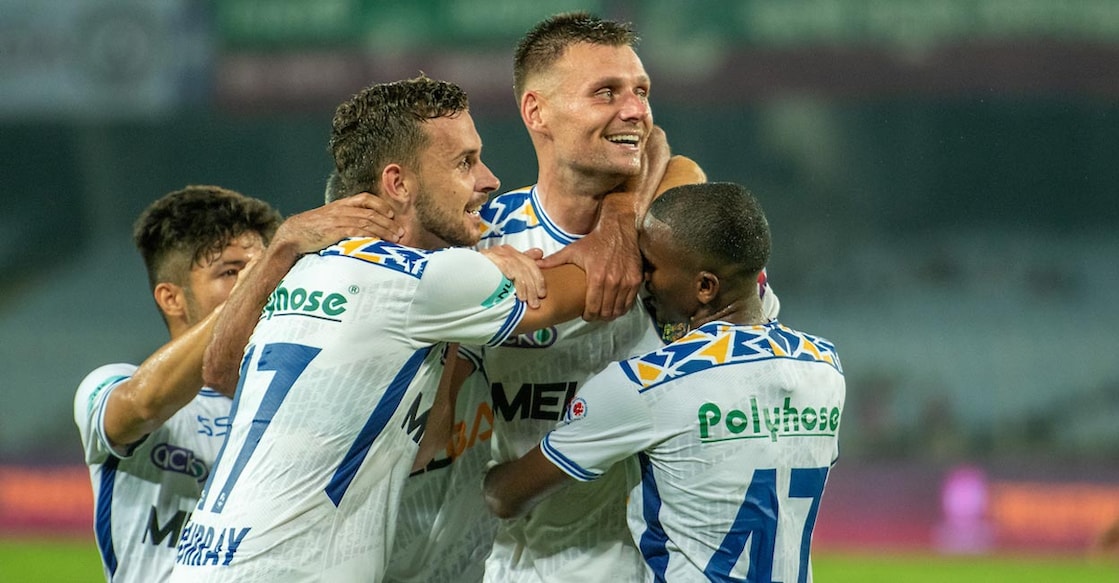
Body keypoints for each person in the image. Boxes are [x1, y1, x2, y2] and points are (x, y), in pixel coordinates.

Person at [168, 75, 670, 582]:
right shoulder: (428, 282)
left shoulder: (310, 265)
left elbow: (221, 372)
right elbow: (596, 283)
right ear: (399, 183)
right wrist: (620, 215)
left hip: (201, 561)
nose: (489, 180)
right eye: (464, 163)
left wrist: (281, 246)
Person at [471, 13, 780, 583]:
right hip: (498, 564)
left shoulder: (682, 248)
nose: (635, 109)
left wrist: (619, 219)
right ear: (536, 111)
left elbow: (668, 152)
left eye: (641, 91)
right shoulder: (481, 240)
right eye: (605, 92)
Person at [484, 182, 846, 583]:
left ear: (705, 286)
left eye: (650, 267)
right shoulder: (825, 365)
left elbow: (506, 497)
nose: (641, 281)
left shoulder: (647, 386)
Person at [74, 185, 399, 583]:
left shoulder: (296, 396)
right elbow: (142, 405)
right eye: (230, 271)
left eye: (264, 267)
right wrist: (260, 280)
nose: (263, 280)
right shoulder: (111, 383)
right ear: (171, 298)